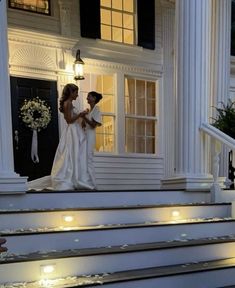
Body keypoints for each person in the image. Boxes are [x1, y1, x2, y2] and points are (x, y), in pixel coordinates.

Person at [28, 83, 95, 191]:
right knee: (71, 154)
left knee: (76, 155)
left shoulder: (70, 103)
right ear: (71, 92)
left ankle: (76, 176)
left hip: (77, 131)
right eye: (76, 92)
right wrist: (80, 114)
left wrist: (82, 116)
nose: (77, 95)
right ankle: (72, 178)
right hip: (72, 132)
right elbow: (69, 120)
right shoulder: (67, 103)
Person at [81, 91, 103, 189]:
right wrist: (83, 118)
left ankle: (94, 185)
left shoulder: (97, 109)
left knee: (89, 158)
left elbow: (93, 125)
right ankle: (86, 182)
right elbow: (84, 124)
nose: (87, 98)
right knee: (84, 158)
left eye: (89, 97)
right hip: (85, 135)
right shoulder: (89, 110)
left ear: (94, 98)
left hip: (90, 135)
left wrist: (84, 117)